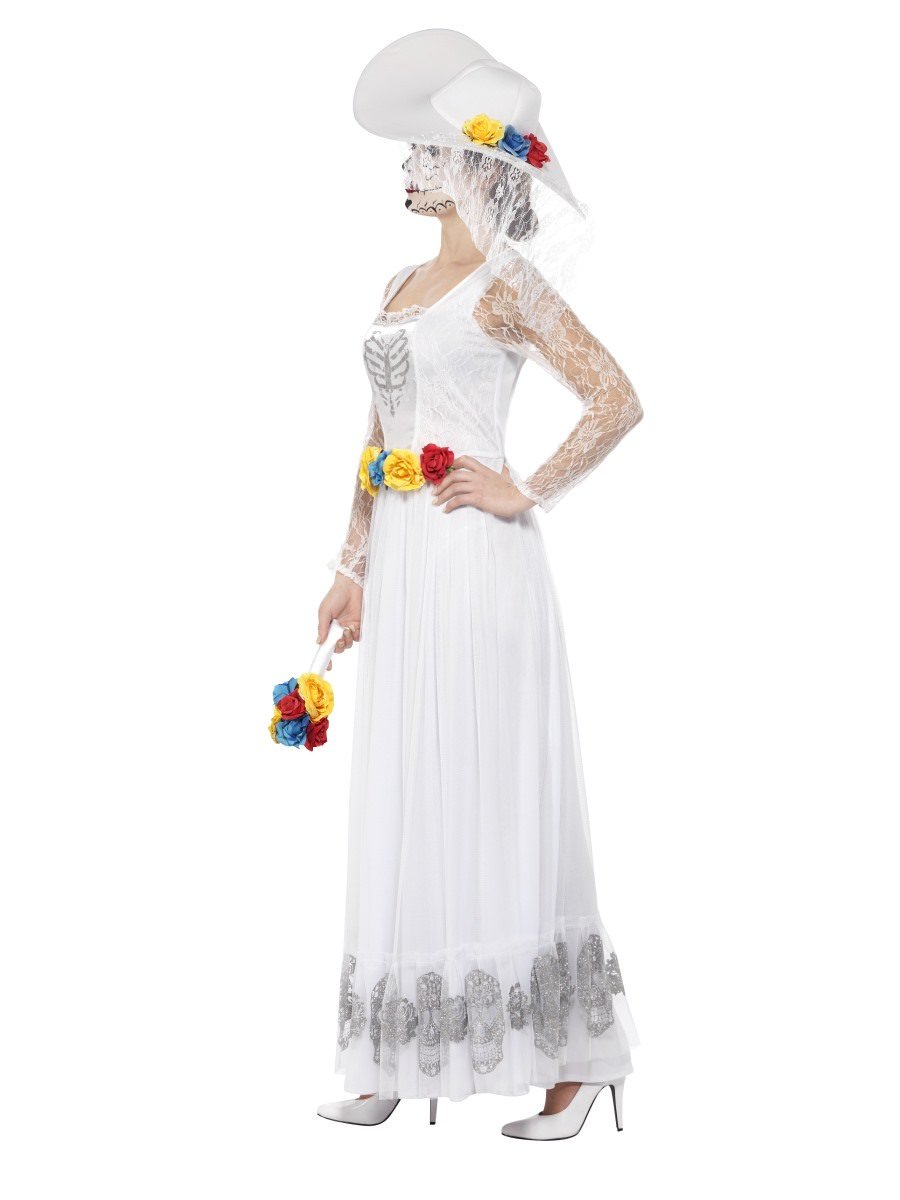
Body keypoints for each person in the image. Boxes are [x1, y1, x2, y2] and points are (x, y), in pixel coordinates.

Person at [314, 29, 643, 1140]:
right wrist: (351, 567)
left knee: (494, 785)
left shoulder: (510, 285)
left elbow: (615, 397)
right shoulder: (402, 282)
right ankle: (399, 1049)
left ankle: (575, 1064)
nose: (408, 164)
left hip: (479, 563)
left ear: (473, 165)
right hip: (408, 568)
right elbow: (380, 430)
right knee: (411, 782)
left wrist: (524, 486)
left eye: (427, 149)